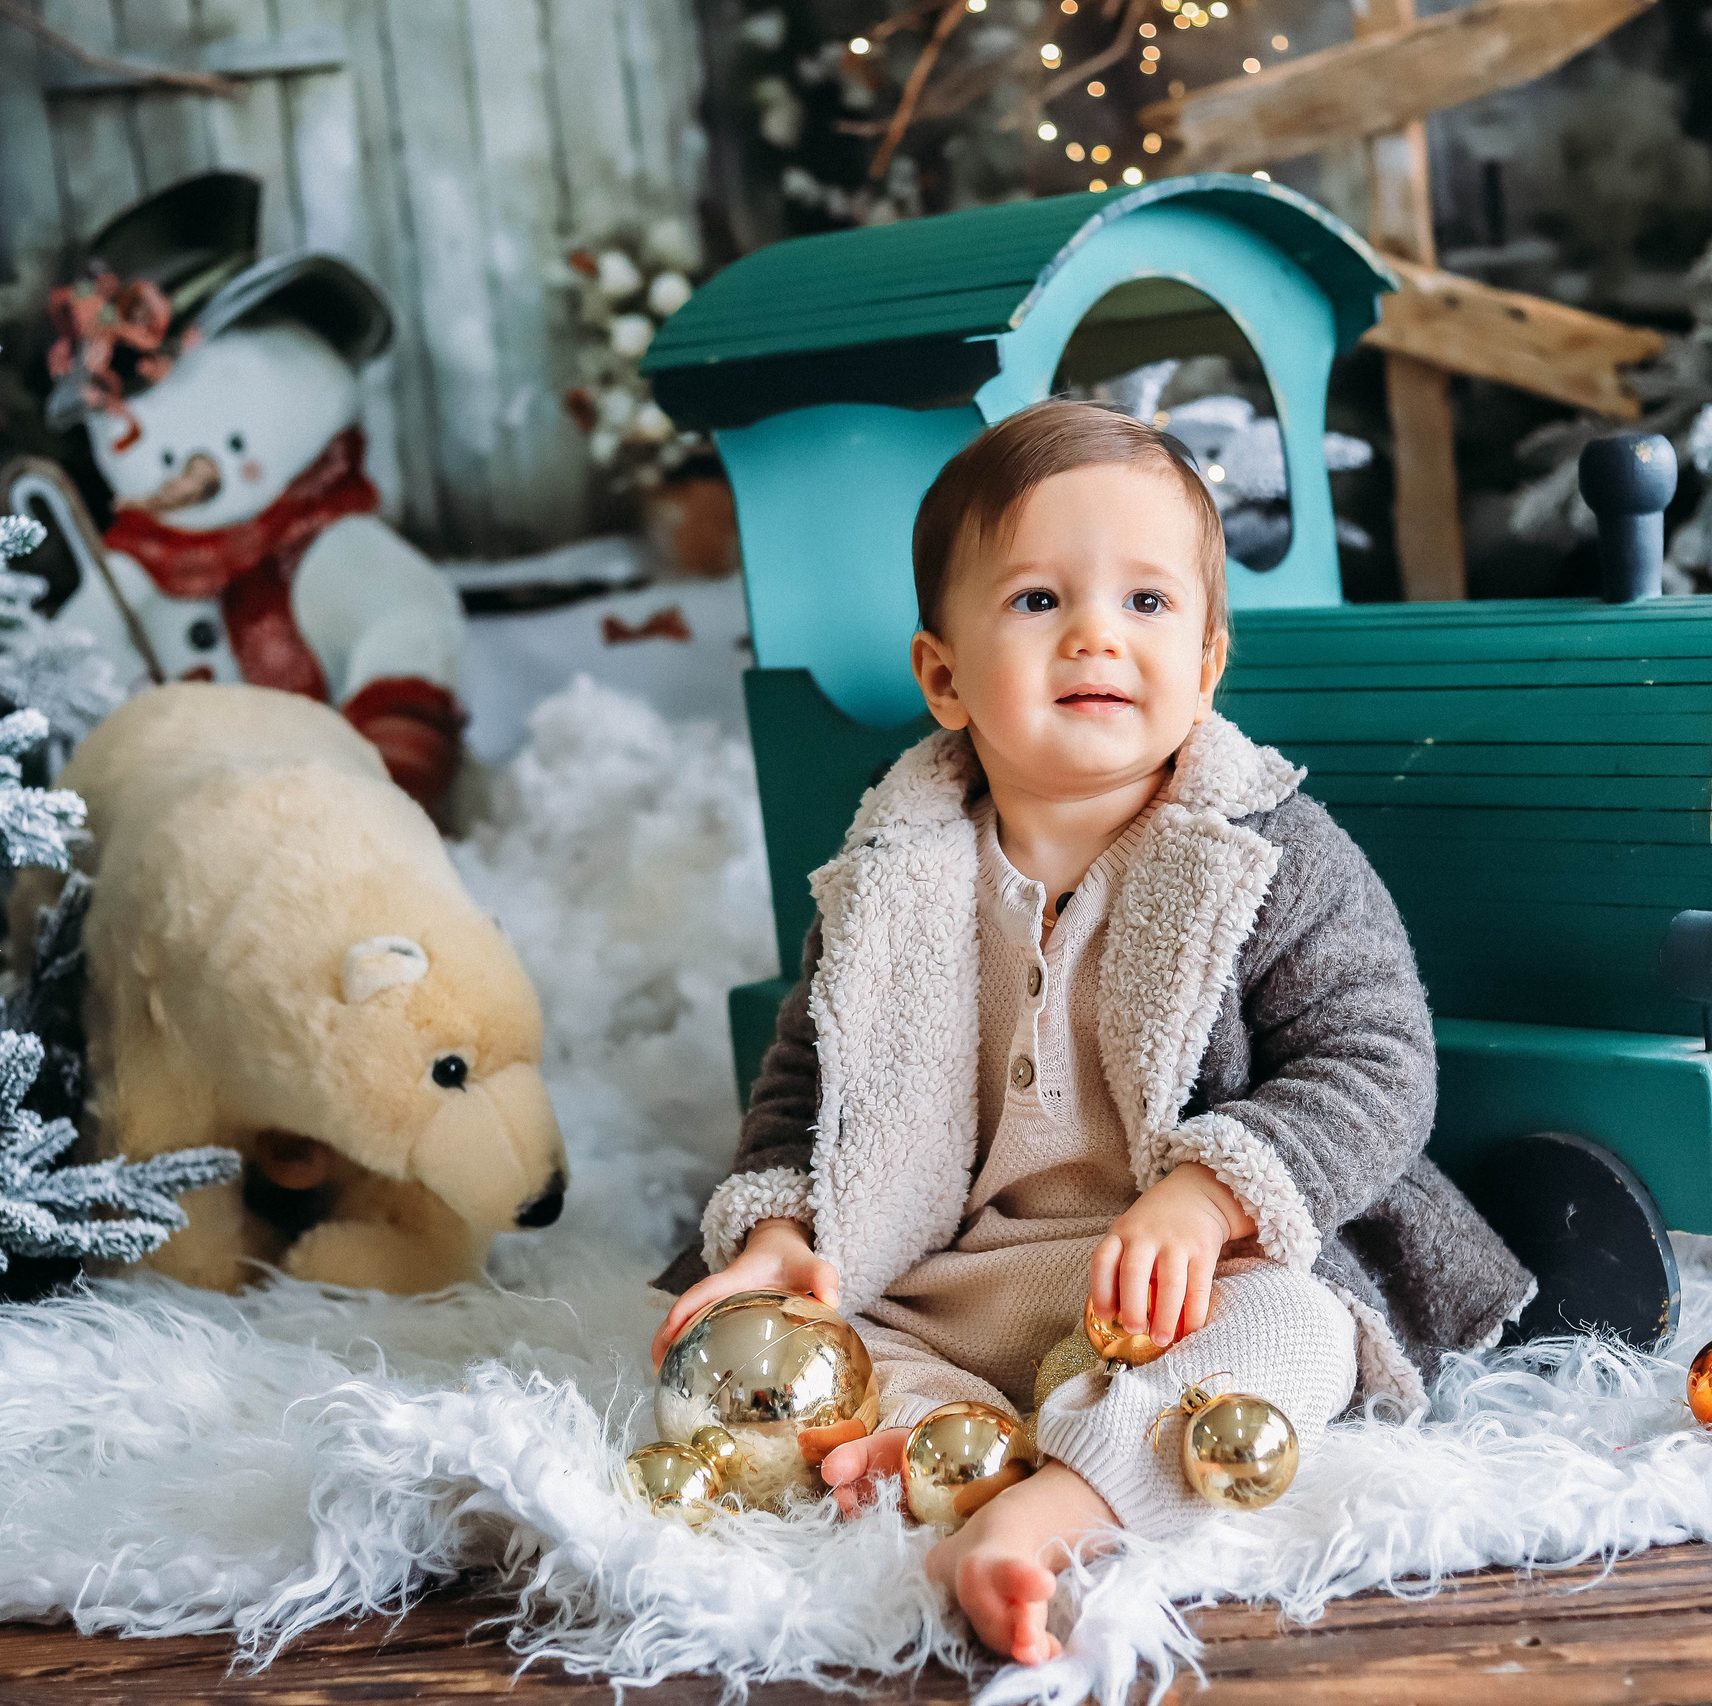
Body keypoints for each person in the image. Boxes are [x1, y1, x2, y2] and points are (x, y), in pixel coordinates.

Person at [652, 400, 1531, 1663]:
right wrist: (782, 1233)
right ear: (944, 676)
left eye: (1147, 604)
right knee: (793, 1355)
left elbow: (1375, 1062)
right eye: (1035, 601)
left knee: (1294, 1332)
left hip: (1185, 1277)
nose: (1095, 636)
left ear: (1209, 662)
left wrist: (1208, 1193)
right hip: (953, 1277)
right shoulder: (891, 871)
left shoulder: (1266, 856)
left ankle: (1050, 1509)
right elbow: (808, 1078)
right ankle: (936, 1441)